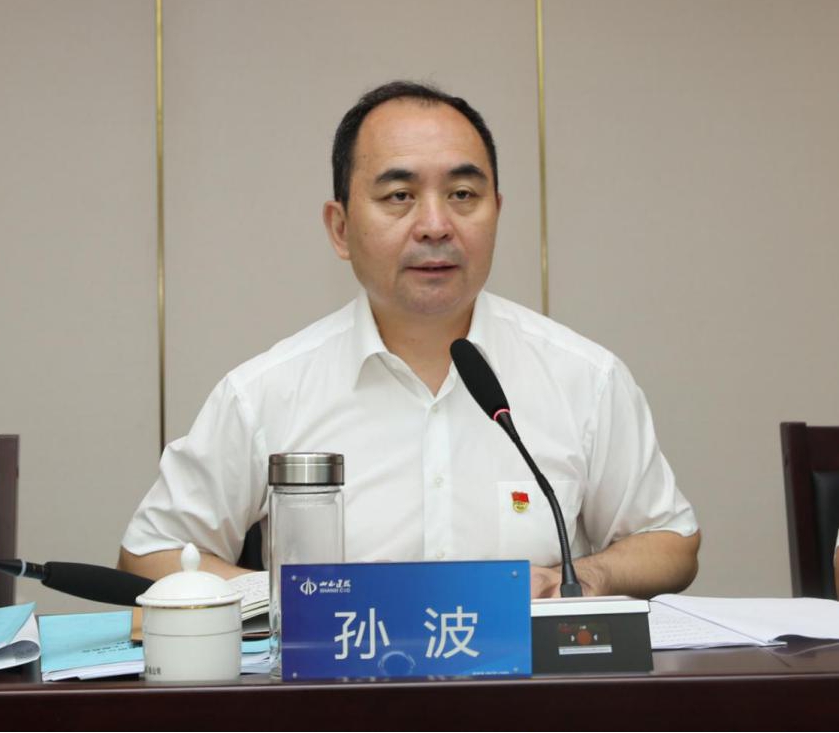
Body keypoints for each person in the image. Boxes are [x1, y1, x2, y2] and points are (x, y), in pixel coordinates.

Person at [119, 81, 701, 598]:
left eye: (463, 195)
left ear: (497, 213)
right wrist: (297, 598)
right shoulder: (266, 393)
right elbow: (150, 552)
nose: (435, 225)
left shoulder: (584, 378)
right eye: (399, 196)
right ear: (341, 228)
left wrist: (584, 578)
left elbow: (670, 541)